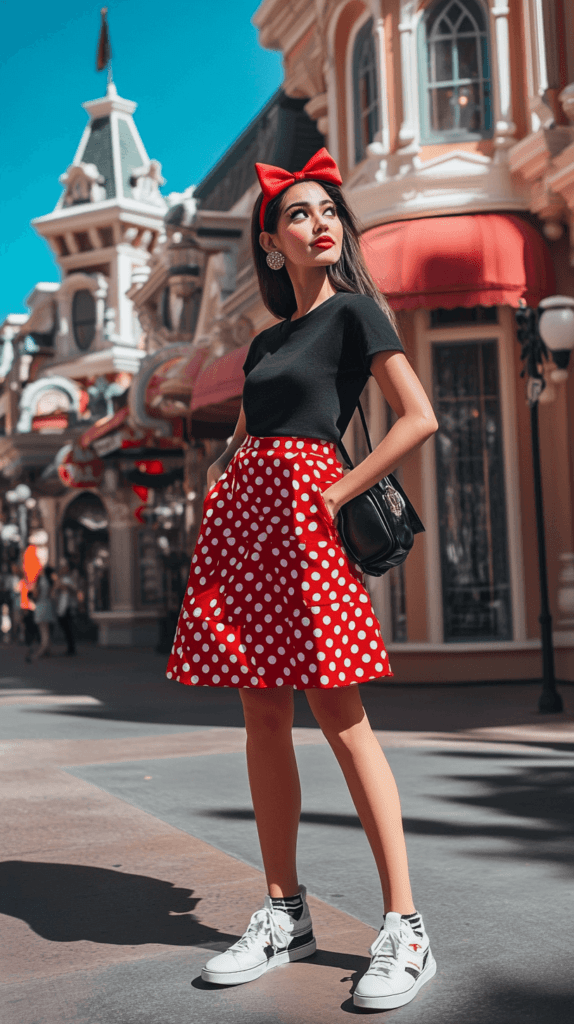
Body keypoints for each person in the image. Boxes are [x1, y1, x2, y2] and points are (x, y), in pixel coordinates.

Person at [166, 148, 439, 1011]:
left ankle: (406, 926)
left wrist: (333, 492)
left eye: (330, 213)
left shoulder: (357, 315)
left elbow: (417, 417)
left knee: (339, 711)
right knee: (260, 712)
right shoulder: (265, 341)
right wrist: (223, 474)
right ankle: (285, 913)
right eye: (300, 215)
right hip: (248, 525)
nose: (321, 225)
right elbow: (252, 427)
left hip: (308, 519)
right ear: (271, 241)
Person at [28, 565, 55, 662]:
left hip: (40, 605)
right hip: (48, 605)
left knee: (43, 630)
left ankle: (42, 650)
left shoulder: (40, 580)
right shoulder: (50, 580)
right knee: (46, 629)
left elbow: (36, 594)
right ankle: (47, 650)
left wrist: (32, 593)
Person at [54, 558, 78, 655]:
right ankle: (70, 647)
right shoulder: (60, 579)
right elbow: (55, 591)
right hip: (61, 606)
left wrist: (66, 587)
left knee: (68, 627)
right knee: (65, 626)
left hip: (68, 606)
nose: (62, 569)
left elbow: (74, 590)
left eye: (64, 567)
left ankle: (71, 648)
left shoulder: (70, 578)